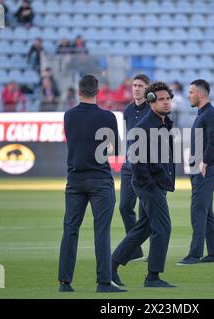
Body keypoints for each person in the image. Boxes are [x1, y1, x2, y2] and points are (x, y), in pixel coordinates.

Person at [58, 75, 125, 293]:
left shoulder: (69, 116)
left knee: (70, 229)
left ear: (79, 92)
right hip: (100, 179)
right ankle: (103, 282)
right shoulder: (107, 117)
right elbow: (115, 150)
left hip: (75, 179)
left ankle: (65, 283)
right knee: (101, 231)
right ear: (98, 92)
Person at [111, 81, 176, 288]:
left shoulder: (163, 122)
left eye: (168, 99)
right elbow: (136, 160)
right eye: (162, 99)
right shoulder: (144, 126)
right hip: (149, 186)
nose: (166, 102)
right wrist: (150, 184)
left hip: (157, 184)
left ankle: (110, 266)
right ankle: (152, 277)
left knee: (143, 228)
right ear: (150, 102)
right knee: (163, 228)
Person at [177, 79, 214, 265]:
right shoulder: (203, 113)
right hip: (199, 169)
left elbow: (213, 140)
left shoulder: (210, 114)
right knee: (207, 213)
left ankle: (194, 254)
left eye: (191, 92)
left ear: (201, 94)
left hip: (205, 169)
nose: (189, 95)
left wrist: (205, 161)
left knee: (198, 211)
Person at [119, 74, 151, 262]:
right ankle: (135, 250)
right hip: (129, 165)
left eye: (140, 85)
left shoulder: (153, 110)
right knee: (124, 207)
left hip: (146, 167)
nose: (136, 88)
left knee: (147, 211)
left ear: (147, 89)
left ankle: (154, 251)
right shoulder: (128, 110)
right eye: (134, 85)